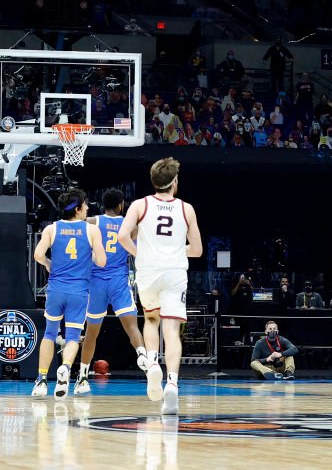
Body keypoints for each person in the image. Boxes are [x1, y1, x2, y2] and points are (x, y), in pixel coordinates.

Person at [118, 157, 203, 415]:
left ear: (154, 181)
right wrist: (176, 251)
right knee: (172, 330)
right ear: (174, 182)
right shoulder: (186, 209)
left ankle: (153, 364)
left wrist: (140, 253)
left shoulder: (139, 205)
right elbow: (197, 250)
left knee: (151, 320)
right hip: (175, 272)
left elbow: (122, 236)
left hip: (148, 271)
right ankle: (173, 384)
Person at [31, 189, 106, 399]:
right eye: (86, 205)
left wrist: (48, 263)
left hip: (56, 289)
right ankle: (65, 367)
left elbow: (38, 254)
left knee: (49, 334)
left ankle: (42, 381)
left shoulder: (52, 229)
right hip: (79, 292)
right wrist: (88, 257)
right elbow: (101, 262)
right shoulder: (91, 231)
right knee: (73, 337)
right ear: (78, 208)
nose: (88, 208)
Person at [75, 189, 149, 395]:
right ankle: (143, 357)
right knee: (132, 327)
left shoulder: (93, 222)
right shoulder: (128, 224)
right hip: (118, 281)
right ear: (121, 205)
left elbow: (74, 227)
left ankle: (82, 377)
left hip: (96, 281)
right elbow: (138, 245)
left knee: (91, 333)